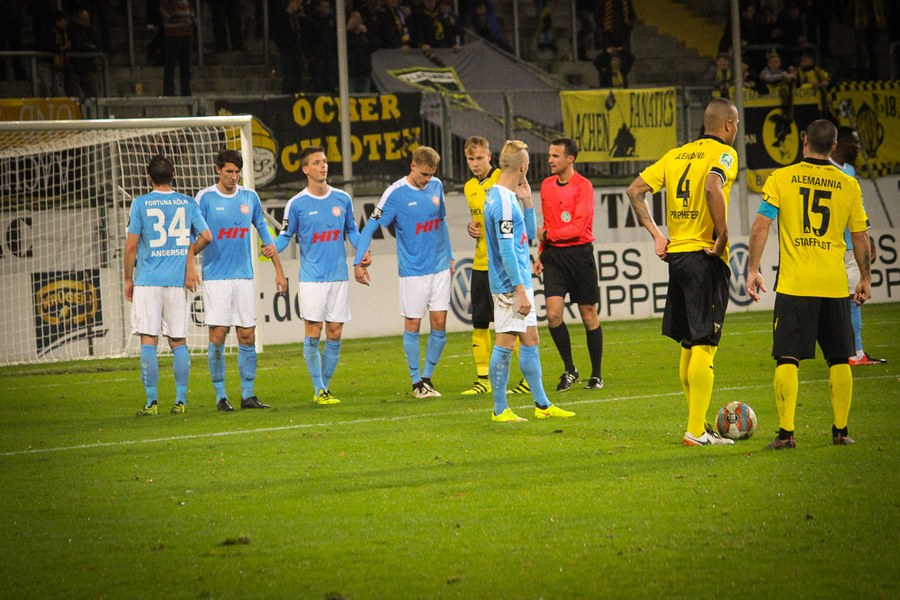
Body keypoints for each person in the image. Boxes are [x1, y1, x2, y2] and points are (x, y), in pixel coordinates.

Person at [746, 119, 871, 449]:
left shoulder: (781, 178)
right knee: (840, 358)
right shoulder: (848, 184)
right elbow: (860, 237)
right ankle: (841, 432)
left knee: (787, 358)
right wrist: (865, 277)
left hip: (795, 285)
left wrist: (753, 269)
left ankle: (786, 434)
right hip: (834, 285)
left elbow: (760, 227)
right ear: (833, 146)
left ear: (804, 141)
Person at [625, 98, 740, 447]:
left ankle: (698, 425)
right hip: (705, 256)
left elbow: (635, 190)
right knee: (705, 343)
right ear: (728, 125)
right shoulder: (725, 154)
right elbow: (712, 186)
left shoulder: (675, 155)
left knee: (690, 343)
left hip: (677, 256)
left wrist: (658, 236)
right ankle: (695, 432)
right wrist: (722, 237)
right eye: (735, 125)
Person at [482, 140, 575, 423]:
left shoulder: (505, 196)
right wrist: (520, 290)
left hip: (519, 280)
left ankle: (542, 405)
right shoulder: (502, 202)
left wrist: (528, 203)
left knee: (531, 339)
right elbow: (507, 250)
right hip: (511, 285)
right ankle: (500, 410)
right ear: (523, 167)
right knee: (505, 342)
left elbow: (530, 236)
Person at [352, 146, 454, 399]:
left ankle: (427, 379)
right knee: (413, 324)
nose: (427, 179)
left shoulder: (436, 186)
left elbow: (441, 222)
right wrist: (357, 261)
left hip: (440, 266)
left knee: (439, 324)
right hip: (413, 271)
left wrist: (450, 255)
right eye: (424, 174)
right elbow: (370, 227)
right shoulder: (395, 193)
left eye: (431, 174)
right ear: (412, 166)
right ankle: (416, 382)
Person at [273, 147, 371, 405]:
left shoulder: (342, 199)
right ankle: (319, 389)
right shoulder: (297, 204)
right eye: (316, 162)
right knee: (314, 331)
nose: (323, 166)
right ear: (305, 169)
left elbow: (352, 231)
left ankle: (324, 389)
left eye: (325, 161)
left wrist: (363, 252)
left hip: (338, 276)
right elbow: (285, 236)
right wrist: (272, 248)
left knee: (335, 333)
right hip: (312, 279)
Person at [195, 149, 288, 412]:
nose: (233, 177)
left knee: (247, 335)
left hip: (244, 276)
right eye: (229, 171)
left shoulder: (250, 197)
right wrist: (189, 266)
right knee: (218, 335)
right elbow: (193, 236)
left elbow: (264, 231)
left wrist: (278, 270)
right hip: (216, 277)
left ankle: (247, 395)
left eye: (237, 172)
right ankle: (220, 396)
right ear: (218, 170)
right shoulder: (205, 198)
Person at [125, 156, 212, 416]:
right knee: (178, 341)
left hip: (148, 281)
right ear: (173, 175)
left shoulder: (140, 203)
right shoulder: (187, 202)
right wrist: (188, 259)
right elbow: (207, 236)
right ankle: (181, 401)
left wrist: (128, 279)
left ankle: (152, 403)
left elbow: (131, 246)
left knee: (148, 340)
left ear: (149, 178)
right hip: (176, 282)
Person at [534, 138, 604, 391]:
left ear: (570, 159)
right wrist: (541, 253)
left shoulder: (583, 186)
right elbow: (547, 222)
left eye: (555, 156)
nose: (550, 160)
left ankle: (596, 374)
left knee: (588, 314)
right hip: (554, 256)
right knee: (553, 315)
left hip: (579, 255)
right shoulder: (546, 185)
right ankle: (570, 369)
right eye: (550, 155)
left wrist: (547, 236)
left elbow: (577, 227)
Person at [460, 136, 529, 397]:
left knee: (513, 324)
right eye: (470, 159)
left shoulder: (503, 177)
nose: (475, 163)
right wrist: (471, 227)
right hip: (481, 262)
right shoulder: (469, 187)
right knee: (479, 321)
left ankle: (526, 377)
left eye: (480, 158)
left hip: (502, 265)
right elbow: (481, 221)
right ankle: (483, 380)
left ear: (490, 156)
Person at [829, 126, 886, 366]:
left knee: (851, 300)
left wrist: (866, 239)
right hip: (840, 247)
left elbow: (857, 212)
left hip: (851, 244)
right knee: (853, 300)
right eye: (855, 142)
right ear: (842, 143)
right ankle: (854, 354)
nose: (859, 147)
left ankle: (852, 352)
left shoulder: (849, 171)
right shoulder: (828, 170)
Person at [160, 0, 194, 97]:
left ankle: (186, 91)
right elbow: (164, 11)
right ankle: (168, 91)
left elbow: (189, 10)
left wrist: (191, 19)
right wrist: (178, 16)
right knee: (170, 64)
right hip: (173, 34)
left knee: (185, 66)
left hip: (186, 33)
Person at [65, 8, 101, 98]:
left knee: (94, 94)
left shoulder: (91, 30)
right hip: (73, 67)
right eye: (83, 19)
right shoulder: (72, 29)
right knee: (73, 96)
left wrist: (88, 46)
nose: (86, 21)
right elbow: (78, 46)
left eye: (87, 19)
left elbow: (98, 46)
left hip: (87, 67)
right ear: (77, 19)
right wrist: (89, 46)